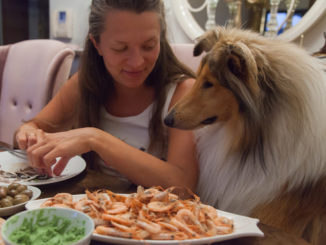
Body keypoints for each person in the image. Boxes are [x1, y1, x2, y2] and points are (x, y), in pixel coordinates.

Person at [14, 0, 198, 191]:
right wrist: (28, 133)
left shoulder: (184, 93)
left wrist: (95, 139)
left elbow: (182, 186)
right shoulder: (83, 84)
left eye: (149, 46)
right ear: (97, 44)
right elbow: (35, 126)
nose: (136, 62)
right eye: (121, 48)